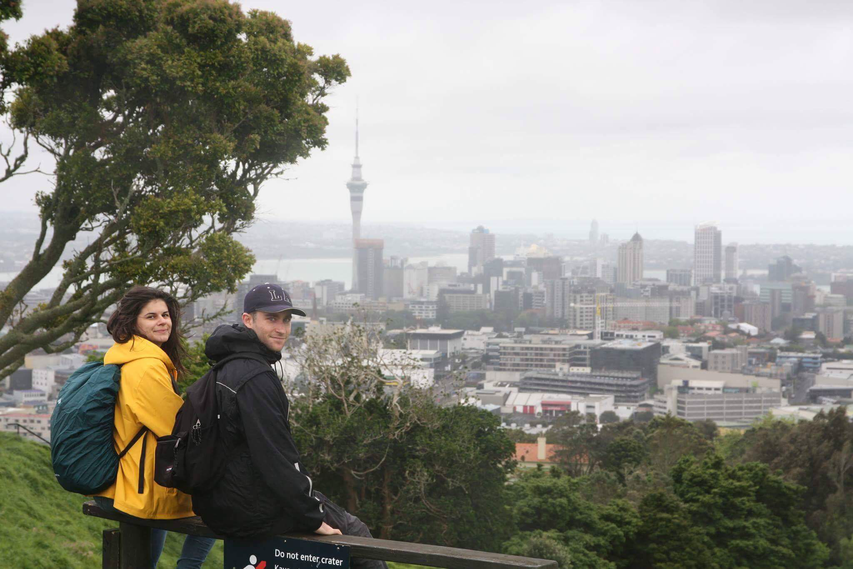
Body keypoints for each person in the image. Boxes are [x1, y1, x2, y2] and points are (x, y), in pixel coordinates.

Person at [192, 283, 388, 569]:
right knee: (356, 533)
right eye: (272, 319)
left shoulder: (226, 364)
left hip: (222, 503)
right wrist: (312, 516)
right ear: (248, 320)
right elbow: (276, 459)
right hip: (250, 508)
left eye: (286, 320)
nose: (281, 328)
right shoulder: (255, 376)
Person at [95, 285, 216, 568]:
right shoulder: (146, 368)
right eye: (151, 317)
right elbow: (177, 429)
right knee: (223, 502)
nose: (163, 321)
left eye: (165, 314)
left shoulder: (128, 357)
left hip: (131, 479)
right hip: (142, 488)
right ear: (132, 322)